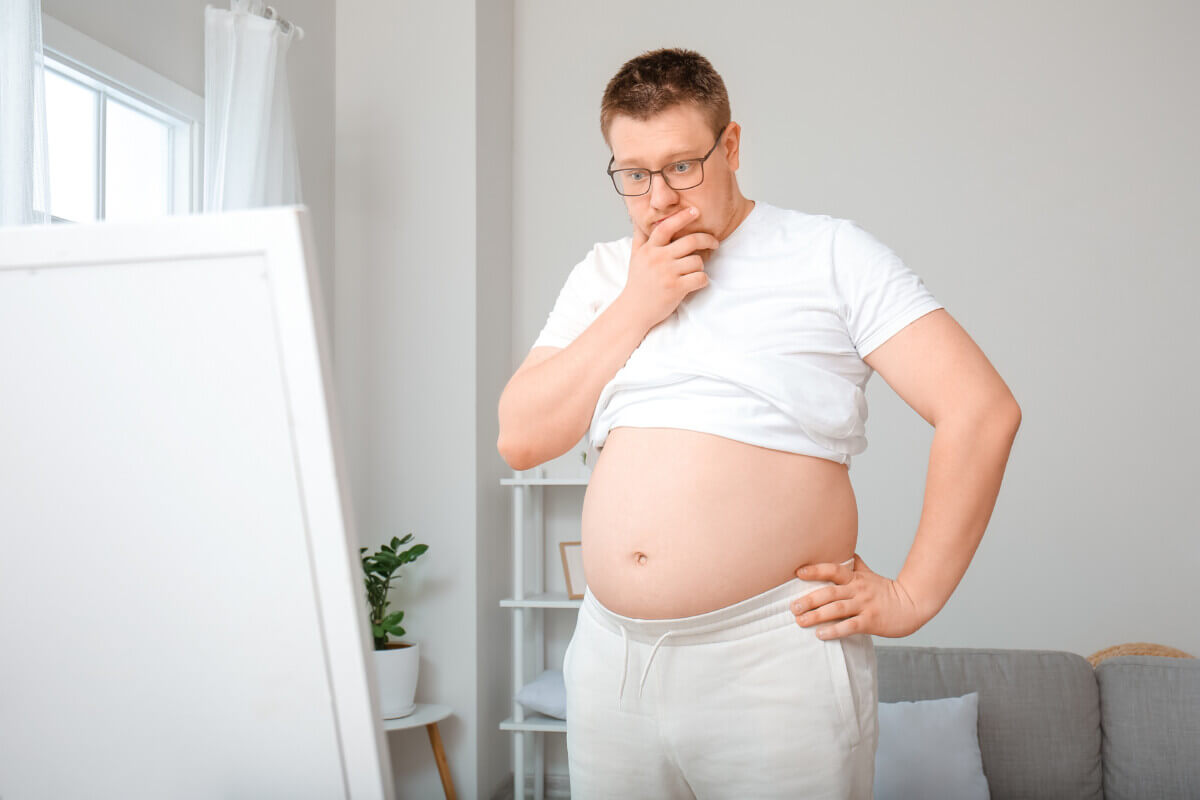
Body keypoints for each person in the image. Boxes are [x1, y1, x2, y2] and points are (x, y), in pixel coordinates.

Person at [497, 47, 1021, 799]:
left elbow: (981, 408)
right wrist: (640, 304)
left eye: (683, 166)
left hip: (772, 660)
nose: (659, 199)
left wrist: (913, 596)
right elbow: (522, 435)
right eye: (634, 175)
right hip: (611, 657)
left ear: (731, 146)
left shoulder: (830, 254)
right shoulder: (606, 275)